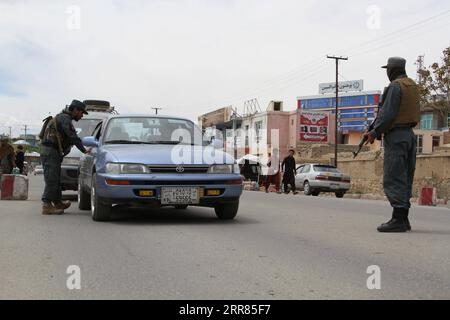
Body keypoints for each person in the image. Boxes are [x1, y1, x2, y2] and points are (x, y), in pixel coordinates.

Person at [364, 57, 420, 233]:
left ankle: (398, 219)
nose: (387, 72)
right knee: (405, 177)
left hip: (396, 136)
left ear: (392, 70)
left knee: (394, 176)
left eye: (388, 69)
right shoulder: (412, 85)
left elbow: (387, 114)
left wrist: (374, 132)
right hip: (410, 136)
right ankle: (403, 218)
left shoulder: (396, 86)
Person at [40, 100, 89, 215]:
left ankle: (57, 203)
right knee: (52, 179)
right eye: (81, 113)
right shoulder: (65, 119)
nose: (81, 116)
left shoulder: (63, 118)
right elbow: (72, 136)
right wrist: (84, 150)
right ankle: (46, 205)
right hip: (51, 151)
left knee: (56, 179)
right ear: (75, 110)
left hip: (54, 152)